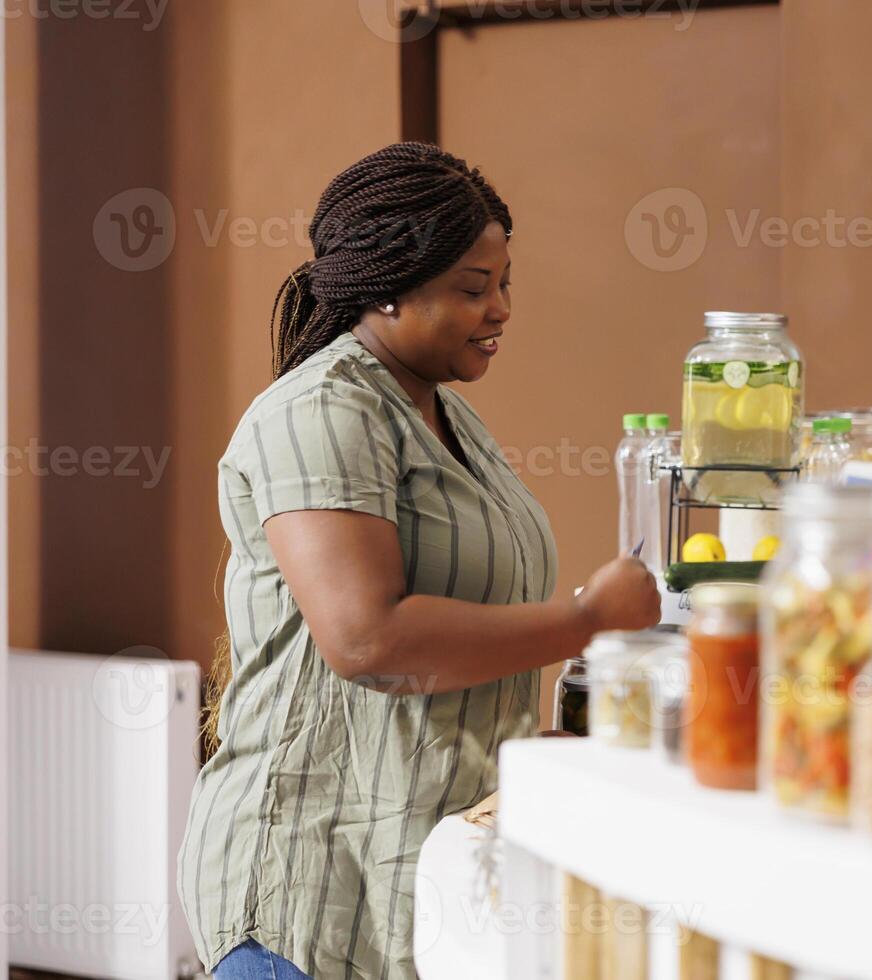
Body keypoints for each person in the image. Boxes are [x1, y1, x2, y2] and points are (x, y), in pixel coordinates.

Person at [178, 143, 661, 978]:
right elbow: (368, 641)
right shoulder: (319, 411)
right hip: (309, 891)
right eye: (473, 289)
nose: (502, 308)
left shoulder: (445, 416)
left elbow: (466, 624)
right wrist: (586, 620)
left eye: (505, 282)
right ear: (388, 287)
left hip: (417, 879)